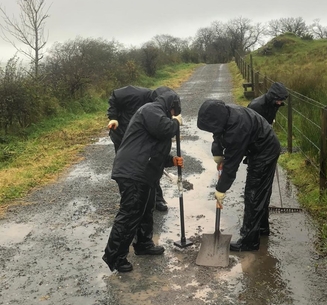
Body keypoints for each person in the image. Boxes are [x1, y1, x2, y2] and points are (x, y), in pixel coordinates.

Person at [102, 87, 183, 272]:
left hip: (144, 171)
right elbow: (164, 129)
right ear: (170, 105)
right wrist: (176, 123)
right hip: (133, 172)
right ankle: (114, 256)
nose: (173, 115)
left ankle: (144, 244)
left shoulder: (156, 115)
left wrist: (171, 160)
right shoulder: (150, 110)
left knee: (146, 209)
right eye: (173, 112)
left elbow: (153, 148)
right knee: (129, 214)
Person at [197, 99, 281, 252]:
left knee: (253, 194)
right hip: (260, 148)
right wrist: (217, 153)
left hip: (265, 152)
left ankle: (249, 242)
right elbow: (218, 134)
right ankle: (261, 228)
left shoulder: (237, 128)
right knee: (260, 193)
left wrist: (220, 189)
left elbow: (231, 165)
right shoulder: (225, 114)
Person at [107, 85, 169, 212]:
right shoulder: (125, 93)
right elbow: (113, 101)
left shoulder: (154, 104)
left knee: (149, 166)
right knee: (125, 170)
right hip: (121, 136)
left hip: (141, 138)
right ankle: (128, 201)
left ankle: (157, 198)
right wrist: (113, 118)